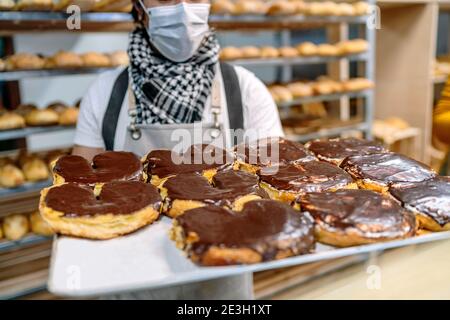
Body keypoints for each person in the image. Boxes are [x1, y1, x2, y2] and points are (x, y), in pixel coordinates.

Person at [72, 0, 283, 299]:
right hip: (128, 275)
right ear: (139, 7)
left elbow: (272, 185)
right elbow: (80, 195)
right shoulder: (106, 93)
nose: (183, 7)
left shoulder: (246, 90)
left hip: (220, 273)